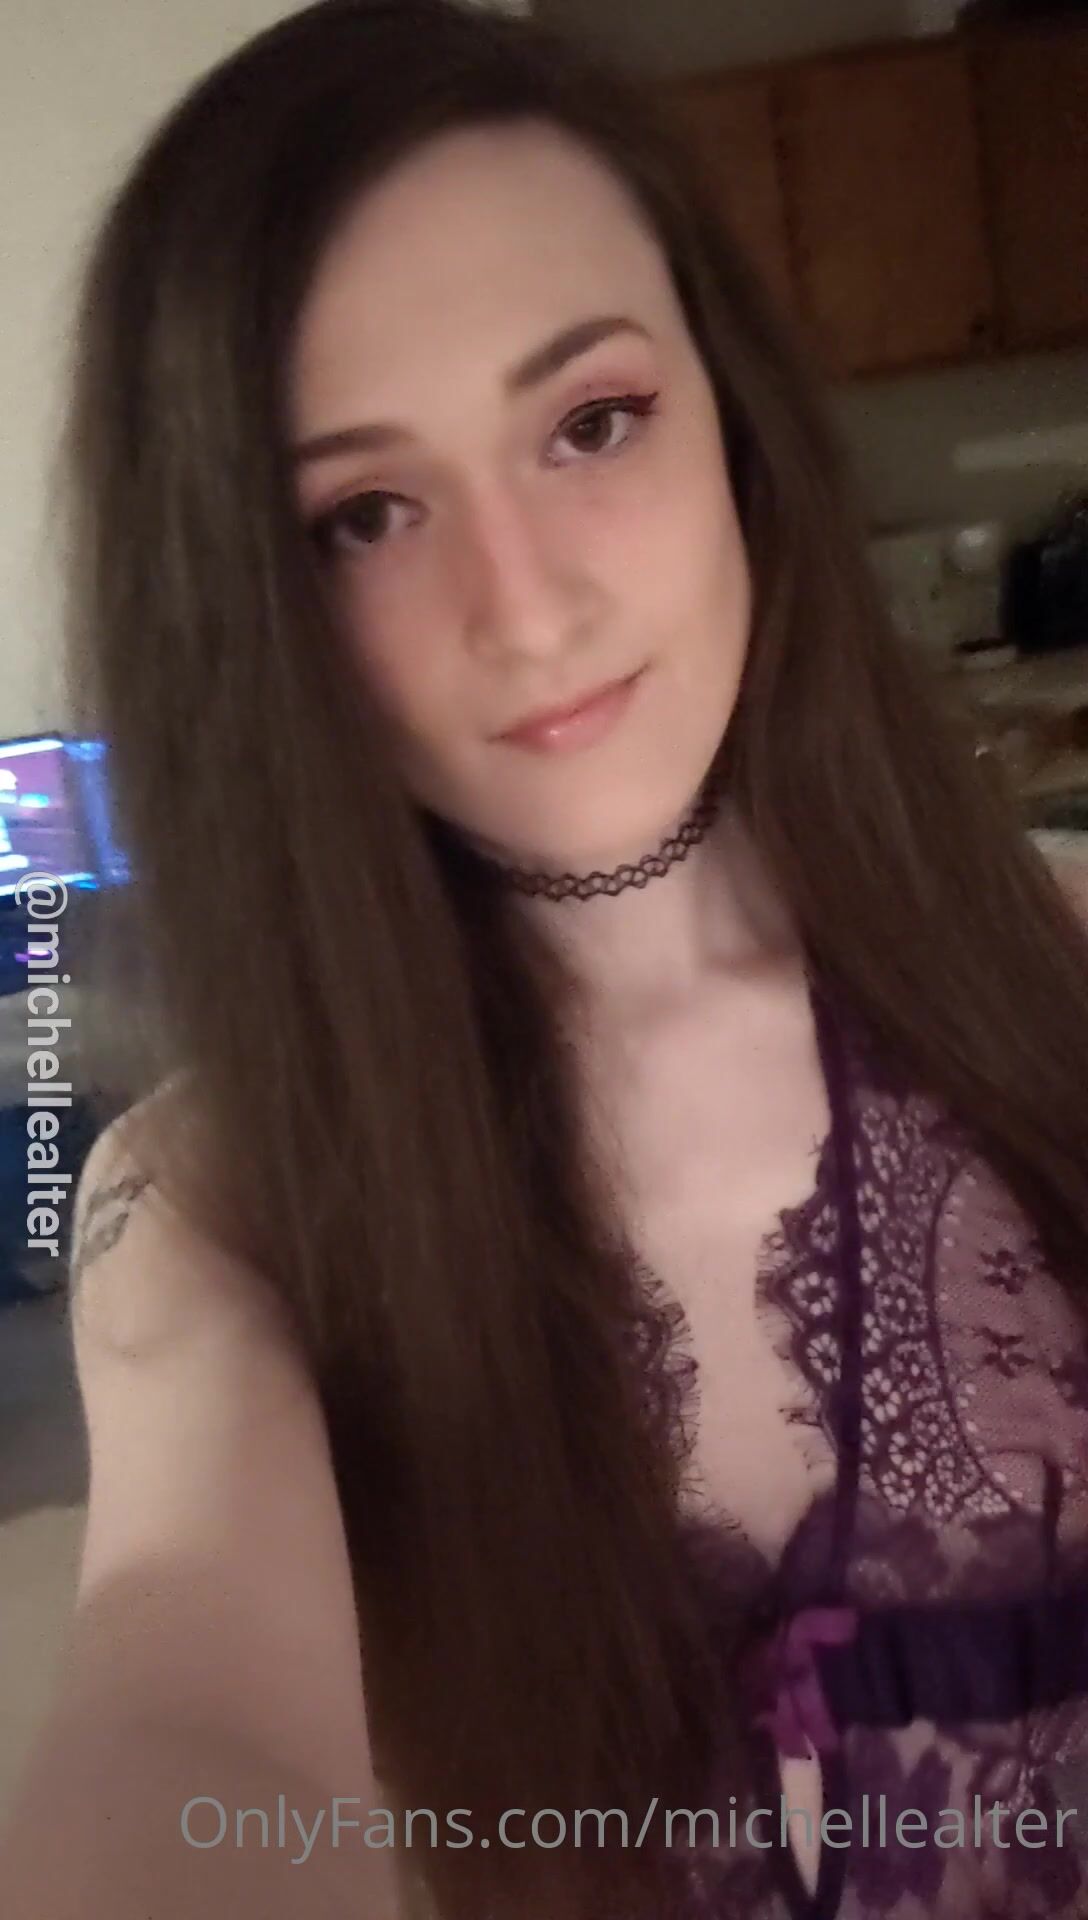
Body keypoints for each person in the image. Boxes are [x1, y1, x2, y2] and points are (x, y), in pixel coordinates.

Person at [4, 2, 1088, 1915]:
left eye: (592, 422)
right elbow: (187, 1703)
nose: (529, 606)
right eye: (363, 515)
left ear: (732, 413)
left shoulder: (1065, 956)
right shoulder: (216, 1206)